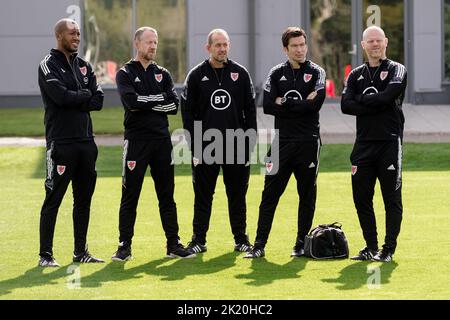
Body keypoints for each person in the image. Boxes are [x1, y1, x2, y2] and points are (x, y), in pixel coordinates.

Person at [112, 27, 194, 261]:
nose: (153, 46)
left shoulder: (163, 74)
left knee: (167, 195)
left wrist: (145, 102)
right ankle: (124, 246)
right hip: (136, 142)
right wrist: (157, 99)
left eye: (155, 42)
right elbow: (131, 103)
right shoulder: (125, 73)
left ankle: (173, 244)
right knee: (130, 194)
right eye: (149, 42)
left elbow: (173, 105)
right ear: (137, 44)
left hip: (161, 142)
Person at [244, 27, 326, 259]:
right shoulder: (276, 73)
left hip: (308, 143)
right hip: (282, 143)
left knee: (306, 195)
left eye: (302, 45)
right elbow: (268, 106)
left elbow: (314, 106)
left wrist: (284, 102)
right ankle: (259, 245)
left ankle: (300, 243)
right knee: (269, 194)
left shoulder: (317, 72)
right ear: (285, 48)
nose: (300, 50)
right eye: (294, 46)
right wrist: (298, 105)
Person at [181, 28, 257, 254]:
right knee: (203, 196)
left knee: (237, 196)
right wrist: (194, 147)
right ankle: (198, 240)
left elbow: (250, 112)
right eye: (218, 45)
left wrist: (248, 145)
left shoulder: (240, 74)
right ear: (208, 48)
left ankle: (241, 239)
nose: (222, 49)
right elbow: (187, 114)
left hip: (236, 145)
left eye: (225, 45)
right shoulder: (196, 76)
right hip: (206, 147)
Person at [37, 18, 104, 267]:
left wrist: (78, 96)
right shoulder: (47, 65)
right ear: (59, 36)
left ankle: (80, 252)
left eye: (78, 33)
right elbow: (60, 97)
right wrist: (83, 96)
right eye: (72, 33)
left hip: (87, 143)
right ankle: (46, 255)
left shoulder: (85, 66)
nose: (76, 37)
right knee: (53, 199)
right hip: (61, 144)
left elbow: (98, 100)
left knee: (83, 200)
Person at [341, 25, 407, 263]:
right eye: (371, 41)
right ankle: (370, 246)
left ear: (386, 42)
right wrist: (374, 101)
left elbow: (389, 96)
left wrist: (362, 100)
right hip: (363, 146)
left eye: (379, 40)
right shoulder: (355, 74)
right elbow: (345, 106)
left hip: (389, 144)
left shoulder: (397, 70)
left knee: (391, 198)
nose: (375, 45)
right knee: (361, 197)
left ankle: (388, 249)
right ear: (363, 45)